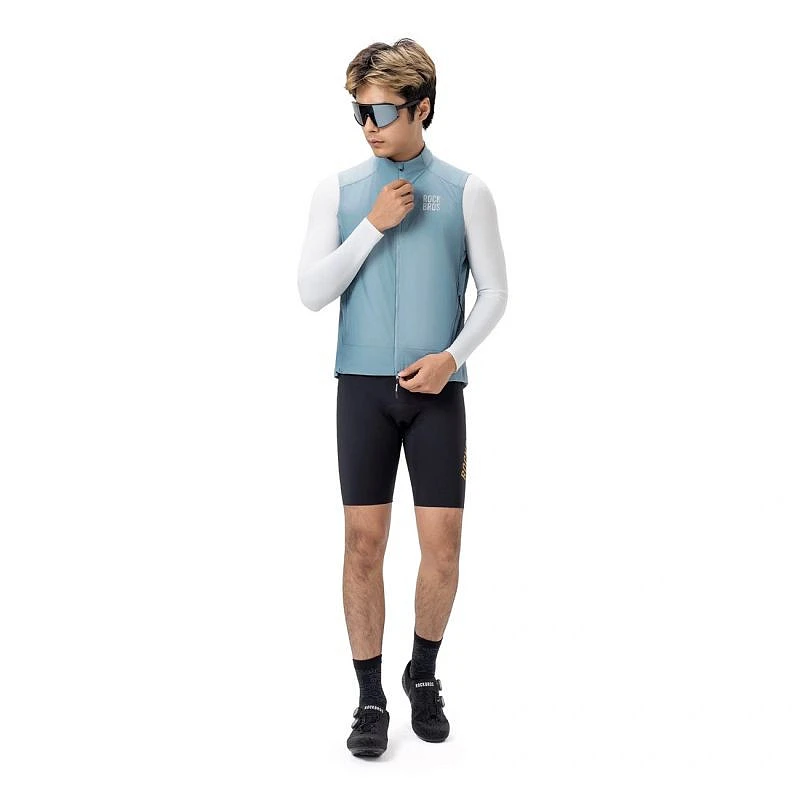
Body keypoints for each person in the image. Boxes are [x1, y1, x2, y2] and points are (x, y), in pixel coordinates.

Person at [297, 38, 508, 758]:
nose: (369, 127)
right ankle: (369, 700)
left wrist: (453, 358)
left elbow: (495, 292)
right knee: (363, 544)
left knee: (443, 549)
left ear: (422, 108)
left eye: (383, 111)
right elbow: (311, 292)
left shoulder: (467, 191)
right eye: (359, 112)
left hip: (438, 393)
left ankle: (423, 673)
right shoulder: (339, 191)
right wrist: (372, 225)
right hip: (361, 391)